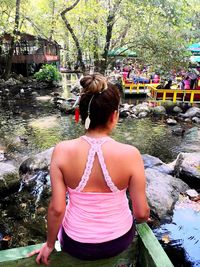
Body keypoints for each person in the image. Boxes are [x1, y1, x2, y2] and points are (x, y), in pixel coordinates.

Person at [28, 73, 150, 265]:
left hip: (76, 243)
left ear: (81, 114)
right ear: (114, 115)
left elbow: (57, 209)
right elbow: (142, 214)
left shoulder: (61, 151)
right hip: (119, 241)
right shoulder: (131, 154)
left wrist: (50, 244)